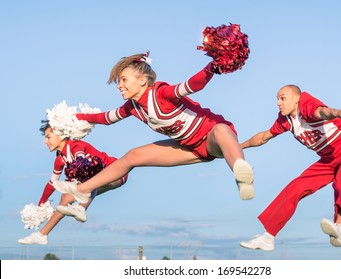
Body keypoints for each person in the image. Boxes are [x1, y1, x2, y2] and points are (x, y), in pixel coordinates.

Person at [53, 52, 254, 204]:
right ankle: (82, 189)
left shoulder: (162, 94)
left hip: (211, 139)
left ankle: (242, 176)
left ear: (142, 80)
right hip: (188, 147)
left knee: (221, 129)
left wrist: (213, 67)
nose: (119, 85)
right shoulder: (132, 107)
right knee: (133, 156)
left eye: (123, 80)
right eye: (118, 81)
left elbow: (193, 84)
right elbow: (106, 118)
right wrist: (76, 117)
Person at [239, 85, 341, 250]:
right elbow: (264, 137)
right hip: (328, 160)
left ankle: (339, 227)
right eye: (277, 99)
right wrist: (238, 146)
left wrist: (338, 112)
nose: (279, 103)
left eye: (283, 98)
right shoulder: (286, 120)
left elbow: (322, 112)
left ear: (296, 99)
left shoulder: (307, 105)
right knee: (295, 188)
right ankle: (268, 237)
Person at [18, 121, 127, 245]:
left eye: (48, 137)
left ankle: (81, 208)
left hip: (116, 171)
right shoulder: (59, 159)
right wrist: (41, 204)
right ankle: (42, 234)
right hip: (97, 179)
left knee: (87, 178)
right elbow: (52, 183)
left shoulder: (76, 146)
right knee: (65, 197)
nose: (45, 142)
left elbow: (86, 166)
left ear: (61, 135)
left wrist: (73, 183)